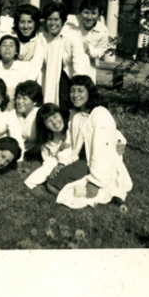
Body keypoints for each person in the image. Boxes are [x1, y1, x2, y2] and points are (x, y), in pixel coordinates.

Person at [45, 75, 132, 209]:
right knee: (51, 183)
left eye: (80, 90)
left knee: (55, 187)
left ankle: (103, 192)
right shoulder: (74, 113)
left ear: (89, 92)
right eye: (72, 91)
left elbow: (102, 149)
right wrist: (63, 162)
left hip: (99, 163)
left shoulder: (100, 114)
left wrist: (95, 182)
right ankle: (96, 191)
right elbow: (70, 142)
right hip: (81, 159)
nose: (75, 95)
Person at [41, 1, 91, 109]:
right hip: (50, 75)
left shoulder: (72, 35)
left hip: (68, 76)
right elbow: (37, 61)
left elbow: (79, 63)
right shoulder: (43, 36)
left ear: (62, 21)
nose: (52, 23)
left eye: (56, 19)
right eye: (49, 19)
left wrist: (78, 89)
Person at [0, 35, 43, 106]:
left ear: (16, 51)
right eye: (4, 45)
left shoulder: (25, 67)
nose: (7, 48)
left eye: (11, 45)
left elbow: (38, 60)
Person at [24, 103, 72, 189]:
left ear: (60, 114)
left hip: (75, 161)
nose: (54, 122)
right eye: (48, 121)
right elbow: (47, 160)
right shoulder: (47, 143)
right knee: (51, 163)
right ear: (45, 126)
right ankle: (30, 183)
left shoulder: (70, 130)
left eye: (54, 116)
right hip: (59, 166)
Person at [65, 0, 108, 80]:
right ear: (81, 11)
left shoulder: (103, 31)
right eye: (86, 12)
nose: (89, 17)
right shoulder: (70, 21)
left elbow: (101, 51)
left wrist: (89, 50)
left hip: (87, 69)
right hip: (66, 67)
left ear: (99, 14)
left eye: (93, 13)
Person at [13, 80, 44, 158]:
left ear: (35, 102)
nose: (19, 101)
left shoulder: (39, 115)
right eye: (18, 98)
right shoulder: (14, 113)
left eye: (24, 99)